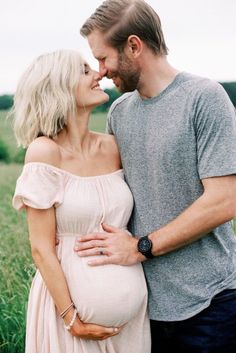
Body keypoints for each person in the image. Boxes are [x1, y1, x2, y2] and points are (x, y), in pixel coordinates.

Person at [75, 1, 236, 352]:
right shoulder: (119, 111)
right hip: (141, 308)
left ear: (134, 46)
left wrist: (141, 247)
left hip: (210, 306)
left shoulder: (204, 98)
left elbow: (224, 201)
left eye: (103, 58)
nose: (99, 71)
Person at [12, 49, 151, 353]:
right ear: (59, 87)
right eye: (85, 71)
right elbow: (41, 248)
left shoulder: (113, 147)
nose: (99, 73)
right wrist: (72, 318)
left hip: (131, 327)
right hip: (70, 325)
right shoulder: (45, 152)